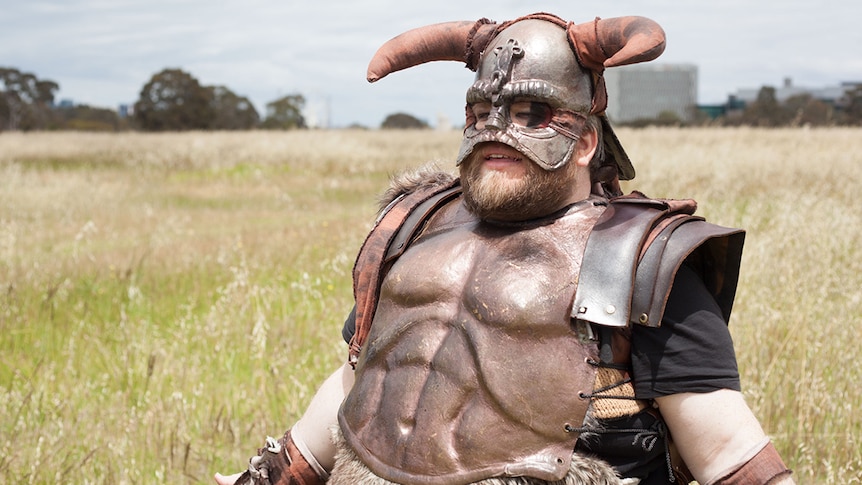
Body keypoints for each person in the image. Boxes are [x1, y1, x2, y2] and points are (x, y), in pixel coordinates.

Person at [216, 12, 794, 485]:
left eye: (531, 114)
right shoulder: (417, 225)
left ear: (586, 139)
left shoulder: (639, 258)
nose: (497, 131)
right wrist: (275, 473)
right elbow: (362, 378)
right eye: (480, 113)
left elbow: (728, 456)